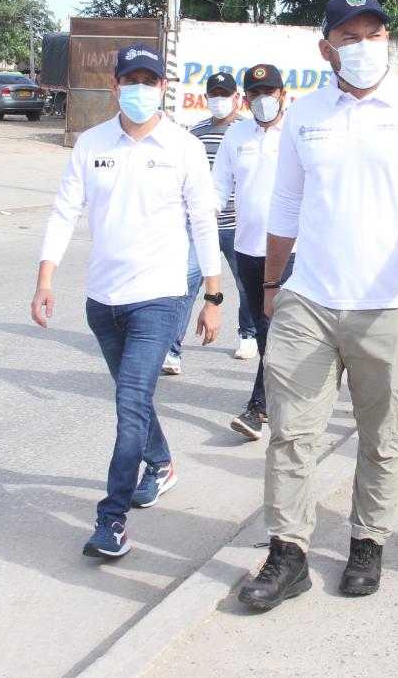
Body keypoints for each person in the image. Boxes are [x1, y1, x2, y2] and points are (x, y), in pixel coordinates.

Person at [237, 0, 398, 610]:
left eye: (374, 35)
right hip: (308, 301)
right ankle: (288, 554)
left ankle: (368, 540)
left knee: (382, 435)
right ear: (326, 48)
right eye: (350, 37)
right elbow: (286, 204)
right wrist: (273, 287)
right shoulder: (306, 114)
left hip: (391, 305)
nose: (364, 47)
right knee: (291, 433)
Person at [32, 43, 222, 558]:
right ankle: (160, 463)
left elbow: (204, 222)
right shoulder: (92, 143)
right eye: (130, 80)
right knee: (133, 398)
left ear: (164, 87)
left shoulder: (182, 147)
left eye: (150, 80)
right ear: (115, 86)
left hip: (158, 297)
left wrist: (213, 294)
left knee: (129, 402)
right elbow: (64, 212)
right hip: (102, 300)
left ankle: (111, 519)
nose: (140, 89)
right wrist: (45, 277)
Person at [211, 64, 295, 441]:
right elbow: (218, 188)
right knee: (266, 329)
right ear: (245, 99)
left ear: (283, 94)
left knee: (272, 324)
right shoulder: (236, 136)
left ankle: (259, 406)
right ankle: (281, 395)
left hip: (294, 248)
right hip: (248, 248)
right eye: (256, 93)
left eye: (270, 92)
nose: (264, 100)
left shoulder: (296, 132)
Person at [162, 73, 257, 374]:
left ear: (236, 98)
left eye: (224, 94)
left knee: (245, 283)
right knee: (186, 284)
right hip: (200, 222)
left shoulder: (246, 131)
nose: (219, 99)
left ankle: (248, 334)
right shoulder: (197, 131)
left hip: (236, 222)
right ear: (206, 98)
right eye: (214, 93)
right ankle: (172, 351)